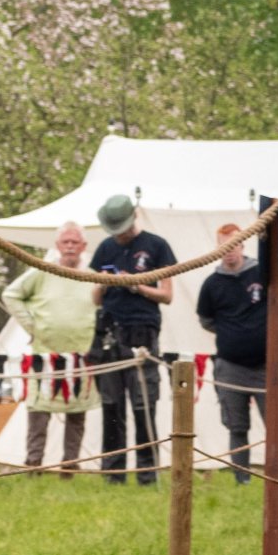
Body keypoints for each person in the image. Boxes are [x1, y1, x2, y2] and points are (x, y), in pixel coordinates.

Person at [2, 221, 102, 475]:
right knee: (39, 409)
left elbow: (102, 304)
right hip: (45, 354)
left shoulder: (93, 275)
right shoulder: (42, 272)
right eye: (65, 242)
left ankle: (70, 466)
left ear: (83, 246)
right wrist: (32, 326)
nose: (70, 247)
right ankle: (33, 464)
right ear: (57, 246)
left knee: (77, 411)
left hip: (82, 353)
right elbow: (11, 294)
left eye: (74, 242)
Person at [90, 195, 177, 485]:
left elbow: (167, 295)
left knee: (143, 403)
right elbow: (94, 299)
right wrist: (105, 283)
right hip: (110, 334)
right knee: (112, 405)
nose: (120, 234)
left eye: (123, 228)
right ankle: (113, 473)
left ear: (134, 217)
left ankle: (147, 474)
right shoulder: (105, 248)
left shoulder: (157, 246)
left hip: (142, 334)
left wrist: (136, 285)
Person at [195, 224, 266, 484]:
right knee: (236, 426)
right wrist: (232, 335)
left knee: (276, 424)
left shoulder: (261, 273)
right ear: (217, 249)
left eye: (233, 245)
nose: (229, 252)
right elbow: (206, 320)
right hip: (230, 364)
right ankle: (242, 478)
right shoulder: (212, 284)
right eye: (223, 246)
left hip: (265, 364)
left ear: (243, 245)